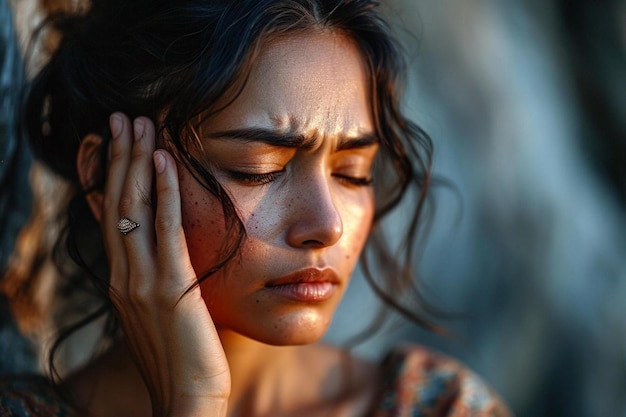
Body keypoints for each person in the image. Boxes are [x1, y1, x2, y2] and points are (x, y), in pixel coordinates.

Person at [0, 0, 512, 415]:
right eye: (258, 168)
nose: (326, 225)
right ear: (106, 176)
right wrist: (192, 405)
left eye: (352, 173)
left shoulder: (441, 407)